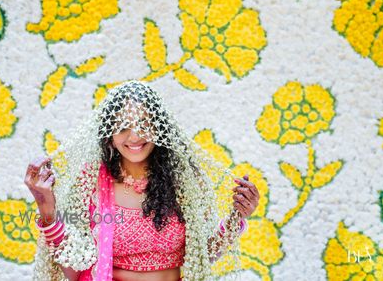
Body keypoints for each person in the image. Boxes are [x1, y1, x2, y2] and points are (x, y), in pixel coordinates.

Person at [24, 80, 260, 281]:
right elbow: (74, 270)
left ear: (160, 130)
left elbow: (202, 255)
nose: (135, 136)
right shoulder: (91, 183)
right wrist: (47, 209)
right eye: (123, 127)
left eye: (144, 124)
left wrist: (237, 217)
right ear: (109, 134)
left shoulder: (185, 181)